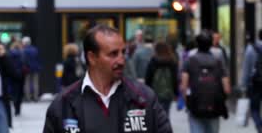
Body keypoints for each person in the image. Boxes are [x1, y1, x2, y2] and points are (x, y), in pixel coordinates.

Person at [43, 24, 171, 133]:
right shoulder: (63, 104)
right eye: (113, 54)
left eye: (123, 52)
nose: (121, 60)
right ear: (92, 58)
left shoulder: (144, 98)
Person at [181, 30, 230, 133]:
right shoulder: (218, 62)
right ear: (211, 44)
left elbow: (184, 86)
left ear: (197, 44)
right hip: (214, 106)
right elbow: (227, 89)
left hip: (195, 105)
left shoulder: (190, 61)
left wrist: (187, 102)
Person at [145, 41, 179, 118]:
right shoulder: (172, 61)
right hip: (168, 93)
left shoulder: (153, 61)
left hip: (154, 93)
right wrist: (176, 93)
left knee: (155, 114)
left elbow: (148, 77)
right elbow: (175, 79)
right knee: (166, 113)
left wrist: (146, 92)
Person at [7, 41, 25, 116]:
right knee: (20, 92)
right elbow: (24, 63)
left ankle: (15, 104)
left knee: (14, 91)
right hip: (21, 75)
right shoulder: (22, 54)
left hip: (12, 75)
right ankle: (18, 108)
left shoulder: (9, 54)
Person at [22, 36, 41, 101]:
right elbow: (38, 59)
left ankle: (28, 97)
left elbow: (24, 60)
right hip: (35, 68)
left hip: (27, 68)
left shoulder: (24, 50)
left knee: (26, 83)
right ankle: (36, 97)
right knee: (35, 83)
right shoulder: (35, 49)